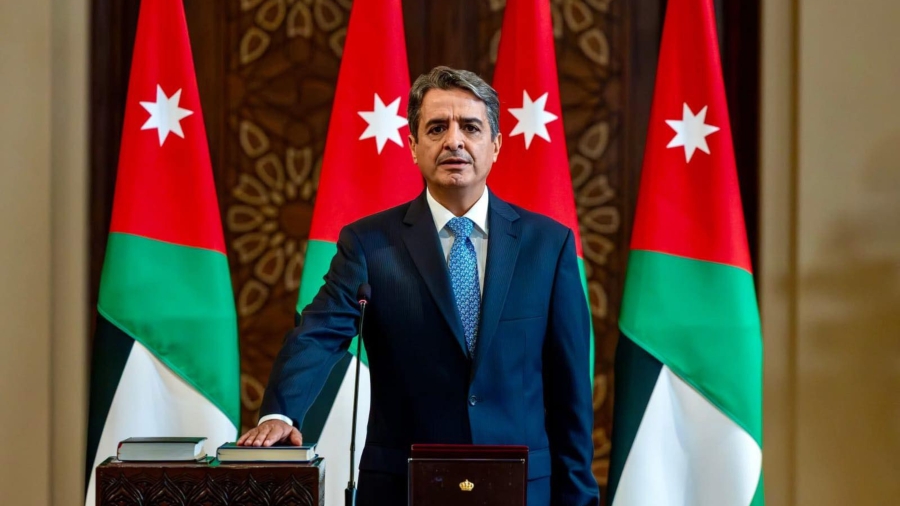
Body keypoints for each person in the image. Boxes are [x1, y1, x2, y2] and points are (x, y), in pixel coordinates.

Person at [238, 66, 599, 505]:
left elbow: (570, 391)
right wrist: (280, 413)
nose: (454, 141)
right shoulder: (370, 244)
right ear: (413, 146)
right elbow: (318, 333)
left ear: (496, 145)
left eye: (470, 127)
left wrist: (579, 497)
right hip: (403, 487)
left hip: (521, 488)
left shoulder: (549, 245)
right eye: (437, 128)